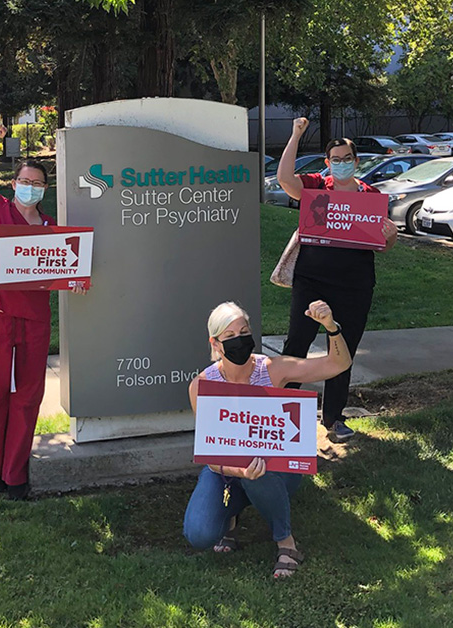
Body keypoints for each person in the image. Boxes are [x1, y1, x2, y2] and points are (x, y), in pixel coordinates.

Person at [0, 122, 85, 501]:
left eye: (38, 183)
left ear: (44, 189)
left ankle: (16, 475)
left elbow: (63, 270)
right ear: (14, 184)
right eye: (24, 181)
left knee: (28, 396)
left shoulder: (51, 229)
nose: (31, 187)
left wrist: (75, 279)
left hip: (33, 320)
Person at [182, 300, 352, 578]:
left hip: (275, 468)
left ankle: (286, 542)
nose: (239, 340)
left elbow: (338, 364)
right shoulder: (202, 385)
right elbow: (210, 455)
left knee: (259, 474)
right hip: (226, 470)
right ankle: (233, 514)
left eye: (244, 332)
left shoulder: (272, 369)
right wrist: (238, 471)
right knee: (199, 534)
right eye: (230, 336)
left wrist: (331, 327)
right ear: (215, 344)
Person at [276, 118, 398, 444]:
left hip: (355, 286)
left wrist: (392, 236)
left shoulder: (371, 196)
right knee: (296, 347)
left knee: (342, 349)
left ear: (356, 162)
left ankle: (334, 418)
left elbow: (383, 245)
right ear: (327, 162)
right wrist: (296, 134)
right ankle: (282, 417)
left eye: (347, 159)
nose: (341, 165)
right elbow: (285, 179)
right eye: (335, 160)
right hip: (311, 282)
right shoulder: (316, 187)